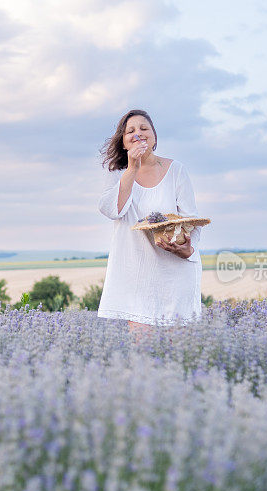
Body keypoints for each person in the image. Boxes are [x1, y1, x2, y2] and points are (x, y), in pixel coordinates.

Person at [97, 109, 203, 334]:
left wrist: (187, 248)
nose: (138, 134)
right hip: (137, 273)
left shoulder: (176, 170)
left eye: (144, 129)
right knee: (144, 355)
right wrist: (133, 168)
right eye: (131, 131)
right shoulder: (118, 173)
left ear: (154, 136)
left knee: (179, 354)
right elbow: (112, 210)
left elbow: (191, 219)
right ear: (124, 142)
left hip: (175, 272)